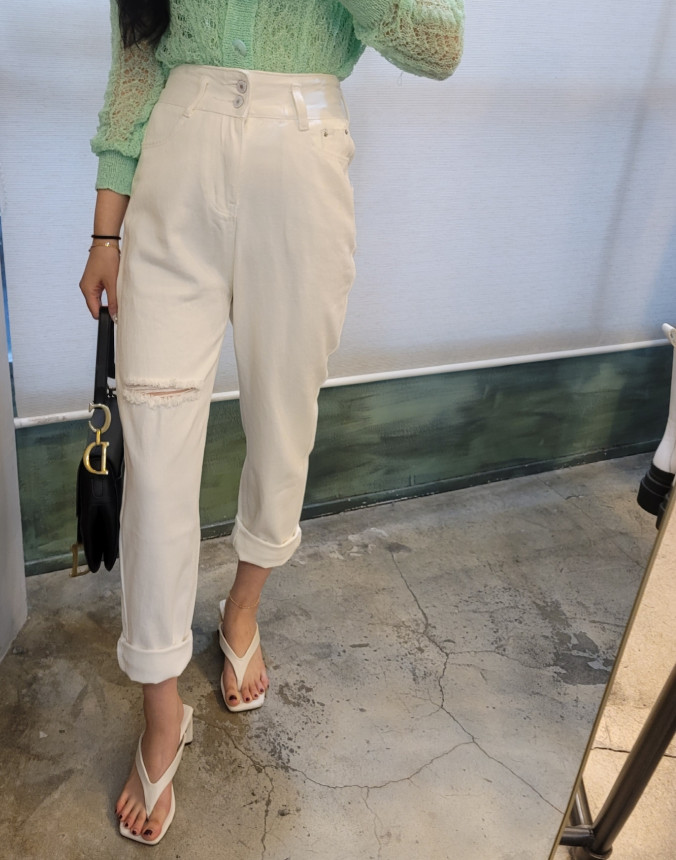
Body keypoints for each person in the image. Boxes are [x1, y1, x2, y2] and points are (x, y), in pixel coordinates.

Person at [79, 0, 464, 845]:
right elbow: (135, 60)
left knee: (284, 422)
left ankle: (242, 610)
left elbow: (442, 44)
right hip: (175, 163)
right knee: (154, 449)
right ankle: (160, 706)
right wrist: (105, 229)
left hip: (303, 149)